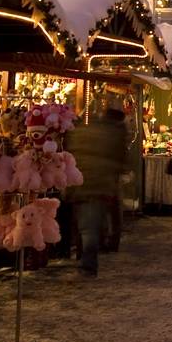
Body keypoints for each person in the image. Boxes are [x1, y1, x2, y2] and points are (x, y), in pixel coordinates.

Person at [66, 107, 128, 275]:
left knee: (85, 224)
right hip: (101, 183)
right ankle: (89, 260)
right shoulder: (112, 134)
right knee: (91, 225)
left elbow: (72, 154)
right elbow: (120, 157)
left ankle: (85, 258)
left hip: (80, 182)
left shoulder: (80, 132)